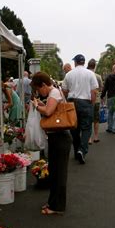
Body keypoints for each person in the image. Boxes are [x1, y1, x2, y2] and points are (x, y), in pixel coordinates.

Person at [31, 72, 72, 215]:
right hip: (58, 137)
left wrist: (37, 106)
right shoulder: (54, 92)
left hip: (60, 137)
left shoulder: (54, 93)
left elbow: (48, 112)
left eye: (38, 89)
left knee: (59, 173)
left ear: (43, 85)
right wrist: (41, 104)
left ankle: (57, 206)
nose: (38, 92)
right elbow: (51, 109)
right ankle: (53, 202)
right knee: (54, 172)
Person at [62, 54, 98, 164]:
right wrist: (91, 103)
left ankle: (77, 149)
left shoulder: (69, 74)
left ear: (75, 62)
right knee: (86, 128)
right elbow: (94, 91)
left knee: (74, 128)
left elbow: (64, 90)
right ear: (84, 62)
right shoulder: (91, 74)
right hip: (86, 102)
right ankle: (82, 150)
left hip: (72, 102)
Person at [101, 64, 115, 134]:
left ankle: (109, 128)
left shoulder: (108, 77)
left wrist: (102, 96)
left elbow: (105, 88)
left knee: (110, 113)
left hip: (110, 97)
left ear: (112, 69)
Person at [87, 59, 103, 144]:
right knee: (96, 119)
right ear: (95, 66)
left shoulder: (85, 75)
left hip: (87, 100)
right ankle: (96, 137)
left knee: (88, 119)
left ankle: (89, 138)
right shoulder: (98, 76)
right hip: (96, 100)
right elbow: (100, 88)